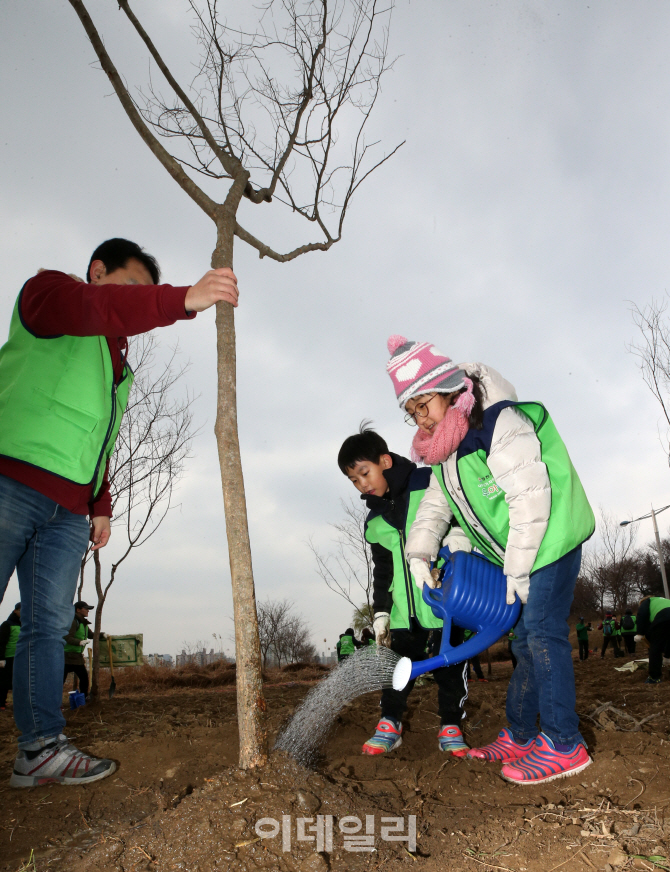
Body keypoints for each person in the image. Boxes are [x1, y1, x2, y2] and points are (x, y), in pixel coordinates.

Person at [0, 238, 239, 788]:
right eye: (133, 288)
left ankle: (38, 749)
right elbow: (96, 307)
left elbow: (102, 438)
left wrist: (100, 504)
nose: (136, 304)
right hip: (11, 478)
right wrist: (178, 300)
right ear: (97, 270)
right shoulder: (50, 294)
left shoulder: (116, 365)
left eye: (145, 296)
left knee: (49, 627)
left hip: (68, 511)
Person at [386, 336, 595, 784]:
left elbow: (530, 499)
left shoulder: (498, 421)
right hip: (520, 549)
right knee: (523, 642)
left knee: (541, 633)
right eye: (411, 412)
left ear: (447, 388)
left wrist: (516, 568)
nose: (420, 419)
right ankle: (521, 735)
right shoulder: (444, 449)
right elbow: (437, 507)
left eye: (424, 405)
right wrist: (418, 553)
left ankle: (565, 743)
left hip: (551, 536)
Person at [339, 424, 471, 757]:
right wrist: (381, 613)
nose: (362, 484)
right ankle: (389, 724)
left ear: (384, 461)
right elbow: (382, 571)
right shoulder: (375, 522)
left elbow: (459, 518)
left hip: (442, 602)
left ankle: (451, 725)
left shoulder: (427, 484)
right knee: (395, 669)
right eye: (354, 480)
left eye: (364, 473)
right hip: (401, 613)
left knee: (450, 667)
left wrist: (457, 544)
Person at [63, 601, 102, 699]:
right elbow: (66, 637)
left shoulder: (83, 623)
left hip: (77, 656)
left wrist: (102, 635)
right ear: (78, 610)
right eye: (86, 608)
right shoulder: (73, 621)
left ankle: (83, 698)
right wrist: (79, 642)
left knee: (84, 678)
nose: (88, 611)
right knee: (60, 681)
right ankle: (54, 702)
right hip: (66, 656)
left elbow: (91, 635)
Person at [635, 595, 670, 684]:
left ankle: (654, 677)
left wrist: (640, 633)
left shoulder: (646, 602)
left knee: (655, 648)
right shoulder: (664, 600)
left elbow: (641, 616)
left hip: (663, 617)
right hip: (665, 616)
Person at [0, 603, 21, 710]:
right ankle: (1, 703)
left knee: (18, 681)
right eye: (21, 610)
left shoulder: (25, 625)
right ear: (15, 611)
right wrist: (1, 658)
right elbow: (1, 642)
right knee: (4, 681)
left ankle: (17, 702)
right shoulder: (7, 624)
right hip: (8, 657)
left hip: (20, 658)